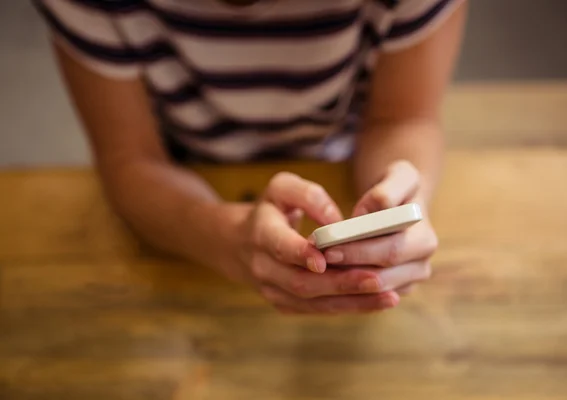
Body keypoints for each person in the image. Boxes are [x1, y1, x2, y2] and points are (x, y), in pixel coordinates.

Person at [34, 0, 467, 314]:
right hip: (187, 168)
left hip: (344, 153)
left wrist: (404, 198)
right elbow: (131, 160)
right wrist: (224, 235)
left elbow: (404, 119)